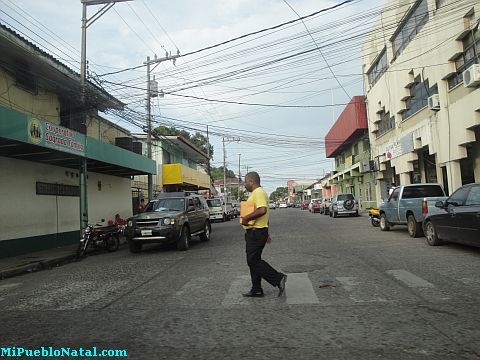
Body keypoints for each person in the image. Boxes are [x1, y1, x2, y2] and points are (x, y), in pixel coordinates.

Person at [240, 171, 287, 298]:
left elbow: (262, 210)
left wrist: (246, 218)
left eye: (246, 181)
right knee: (254, 261)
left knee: (253, 260)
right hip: (257, 231)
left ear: (251, 181)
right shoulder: (255, 193)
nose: (245, 184)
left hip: (256, 233)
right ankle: (256, 289)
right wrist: (267, 231)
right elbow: (265, 215)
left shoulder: (258, 192)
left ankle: (278, 278)